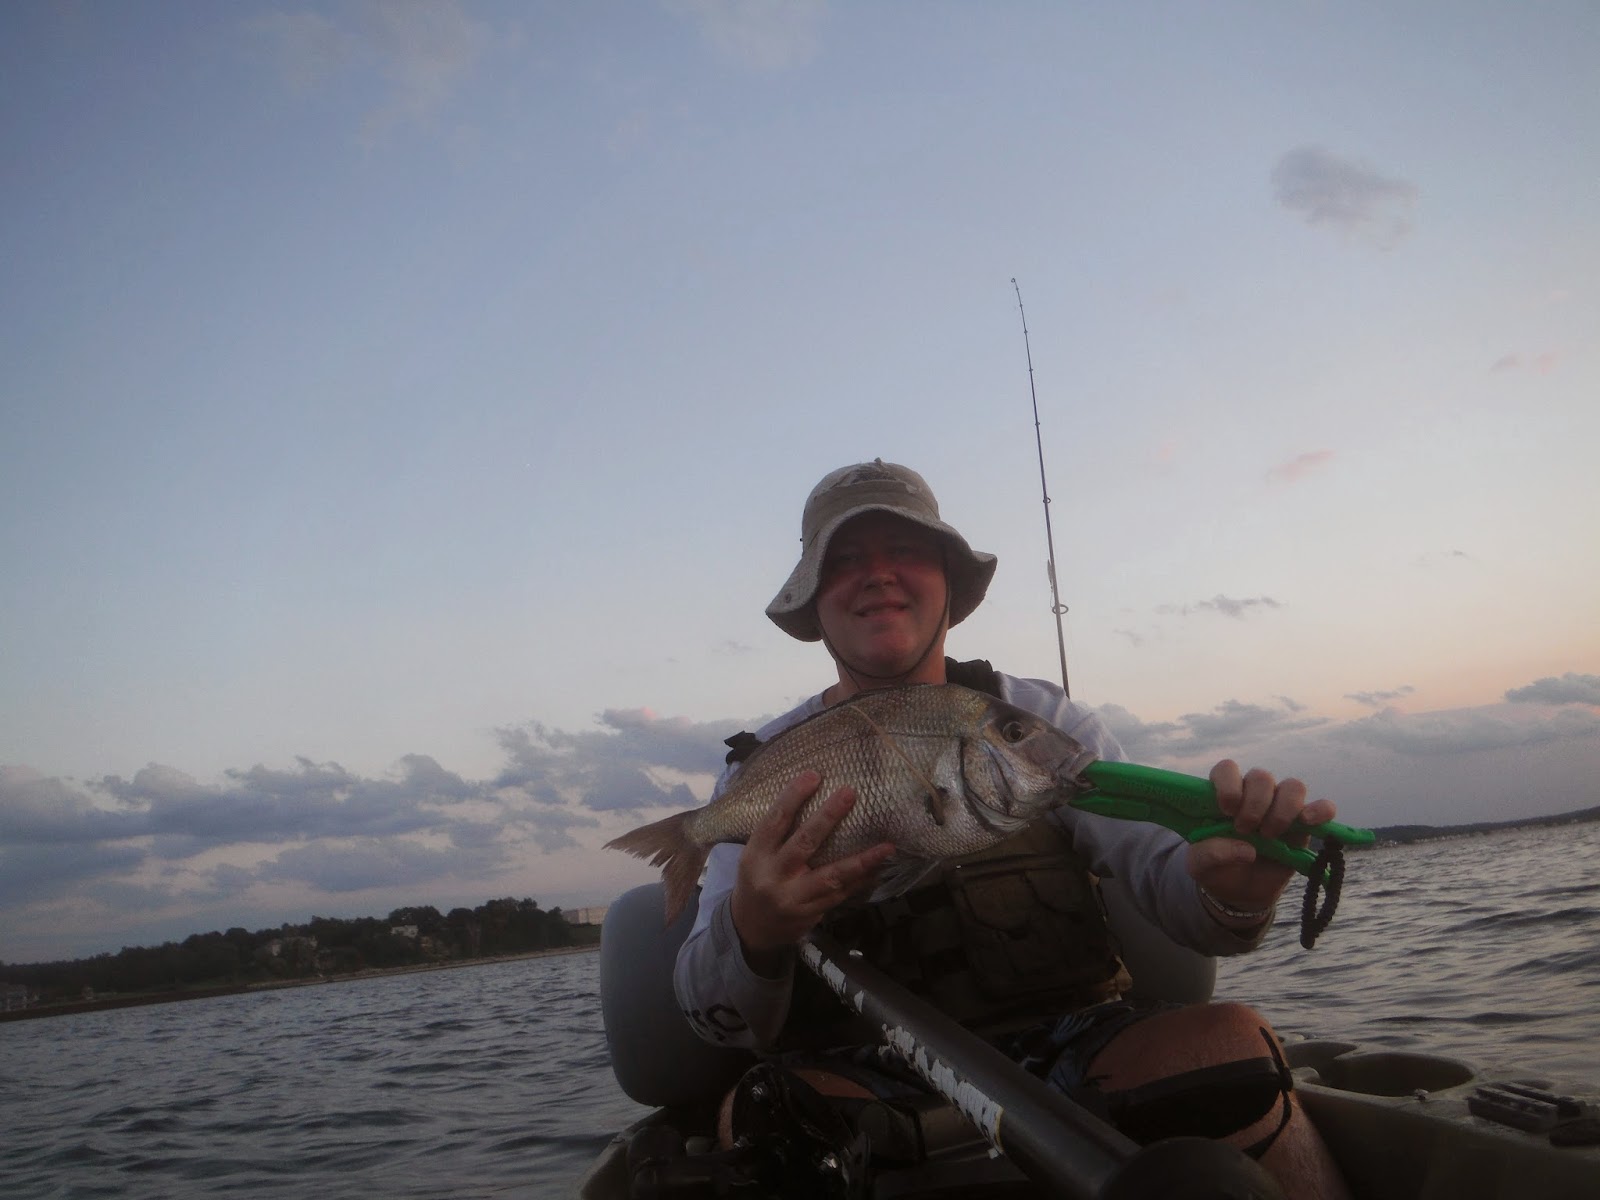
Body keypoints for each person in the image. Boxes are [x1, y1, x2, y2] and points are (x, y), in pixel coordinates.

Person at [673, 459, 1351, 1199]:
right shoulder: (763, 770)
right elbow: (715, 1018)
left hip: (1077, 1042)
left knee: (1231, 1043)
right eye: (845, 560)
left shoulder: (1042, 725)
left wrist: (1236, 896)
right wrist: (756, 932)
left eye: (905, 551)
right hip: (861, 1071)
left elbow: (1179, 894)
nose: (878, 576)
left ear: (948, 583)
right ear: (813, 597)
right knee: (766, 1119)